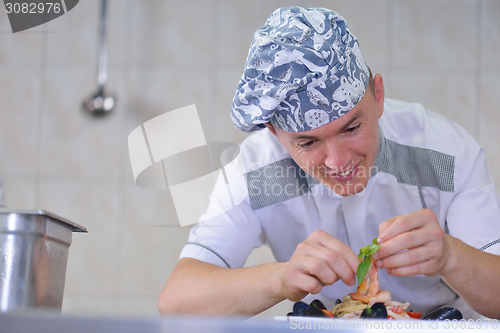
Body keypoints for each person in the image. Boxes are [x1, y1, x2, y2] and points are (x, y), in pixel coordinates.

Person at [159, 7, 500, 319]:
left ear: (377, 96)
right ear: (275, 133)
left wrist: (449, 256)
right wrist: (279, 278)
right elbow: (177, 302)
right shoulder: (257, 173)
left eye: (352, 128)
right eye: (307, 142)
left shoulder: (443, 154)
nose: (338, 162)